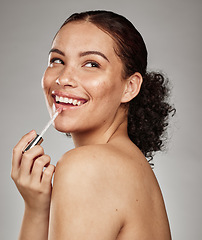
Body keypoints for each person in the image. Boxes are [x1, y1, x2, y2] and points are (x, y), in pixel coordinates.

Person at [11, 10, 175, 240]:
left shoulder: (87, 168)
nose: (64, 78)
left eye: (91, 64)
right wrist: (36, 207)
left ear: (130, 87)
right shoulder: (129, 163)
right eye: (57, 60)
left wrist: (35, 212)